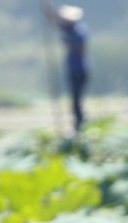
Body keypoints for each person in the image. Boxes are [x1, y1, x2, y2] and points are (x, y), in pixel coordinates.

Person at [42, 2, 89, 134]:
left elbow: (81, 49)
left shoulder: (79, 31)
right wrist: (47, 10)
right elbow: (54, 22)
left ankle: (80, 127)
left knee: (76, 101)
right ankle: (78, 126)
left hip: (79, 70)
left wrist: (68, 43)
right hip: (72, 70)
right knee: (74, 101)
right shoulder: (69, 29)